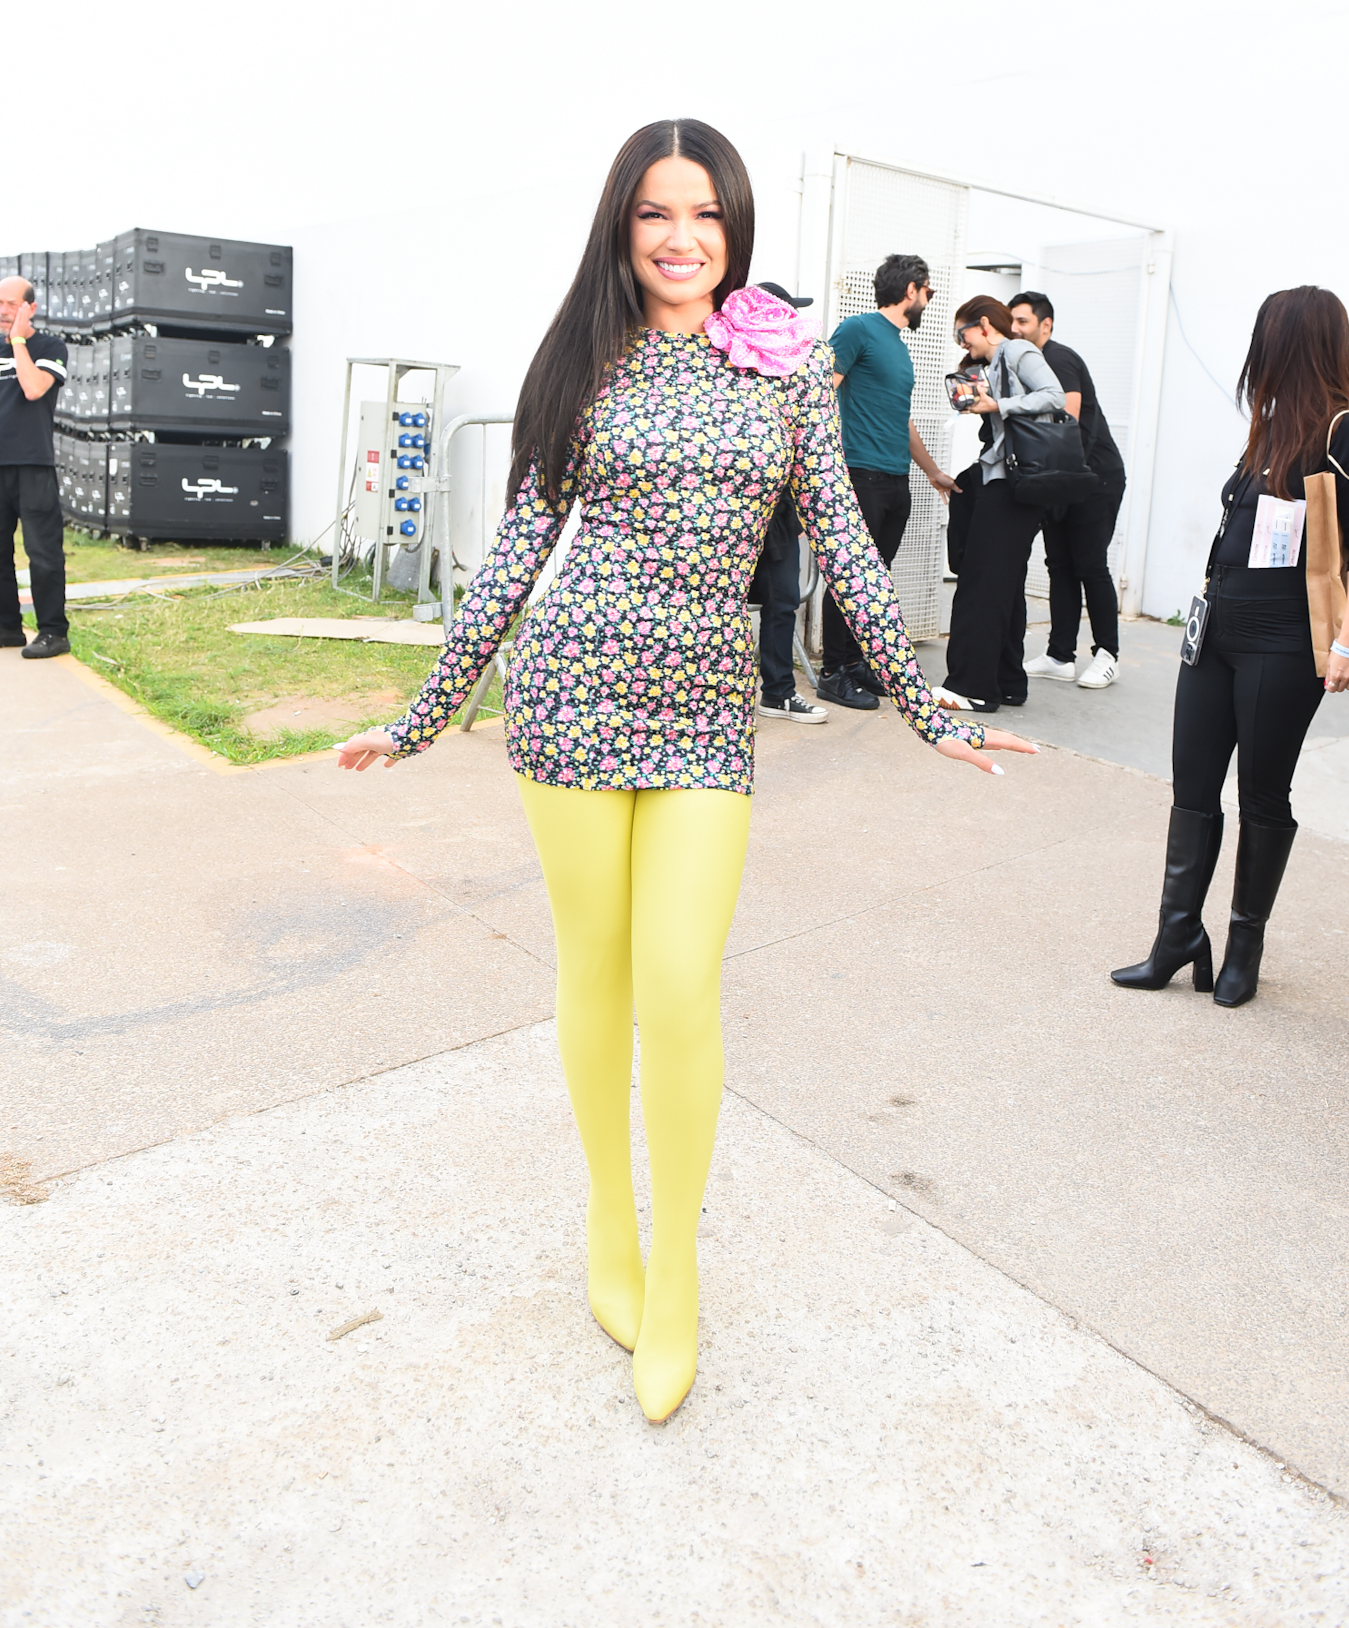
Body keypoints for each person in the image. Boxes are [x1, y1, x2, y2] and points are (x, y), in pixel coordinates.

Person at [335, 121, 1039, 1426]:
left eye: (705, 213)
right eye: (657, 213)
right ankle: (613, 1230)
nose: (681, 237)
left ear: (735, 227)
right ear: (621, 225)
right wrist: (425, 714)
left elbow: (839, 540)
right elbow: (512, 558)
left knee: (680, 984)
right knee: (593, 974)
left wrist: (920, 707)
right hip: (568, 703)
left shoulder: (781, 371)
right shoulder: (578, 368)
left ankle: (679, 1281)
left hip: (706, 716)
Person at [1113, 285, 1349, 1008]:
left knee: (1261, 790)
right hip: (1217, 629)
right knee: (1191, 786)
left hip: (1284, 641)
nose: (1257, 355)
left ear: (1293, 343)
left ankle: (1243, 949)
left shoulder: (1347, 431)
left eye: (1267, 339)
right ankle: (1178, 936)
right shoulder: (1273, 424)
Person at [818, 254, 958, 711]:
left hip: (896, 479)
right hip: (860, 475)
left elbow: (902, 420)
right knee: (850, 578)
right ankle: (833, 672)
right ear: (911, 289)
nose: (929, 300)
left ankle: (858, 663)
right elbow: (821, 394)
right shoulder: (858, 329)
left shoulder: (898, 344)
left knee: (875, 580)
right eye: (929, 291)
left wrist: (932, 471)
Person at [937, 294, 1066, 713]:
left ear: (985, 326)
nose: (962, 343)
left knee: (981, 582)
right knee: (1004, 586)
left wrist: (1000, 405)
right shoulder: (991, 365)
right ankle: (1008, 681)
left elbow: (1055, 395)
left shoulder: (1018, 349)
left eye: (963, 333)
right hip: (1004, 479)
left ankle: (971, 686)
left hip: (1015, 484)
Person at [1009, 290, 1126, 690]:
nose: (1015, 329)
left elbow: (1066, 416)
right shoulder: (1030, 362)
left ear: (1046, 325)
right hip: (1063, 478)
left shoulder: (1057, 357)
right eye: (1013, 322)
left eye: (1023, 322)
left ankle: (1108, 655)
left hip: (1097, 477)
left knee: (1090, 565)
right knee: (1059, 565)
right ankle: (1060, 655)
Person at [748, 284, 825, 725]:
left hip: (778, 517)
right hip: (732, 516)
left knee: (783, 602)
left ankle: (777, 693)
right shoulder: (736, 368)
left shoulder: (794, 370)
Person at [0, 274, 70, 660]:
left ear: (31, 308)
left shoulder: (49, 346)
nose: (3, 310)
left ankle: (53, 632)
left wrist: (18, 340)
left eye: (11, 303)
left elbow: (32, 388)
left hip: (32, 465)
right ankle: (7, 627)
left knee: (42, 553)